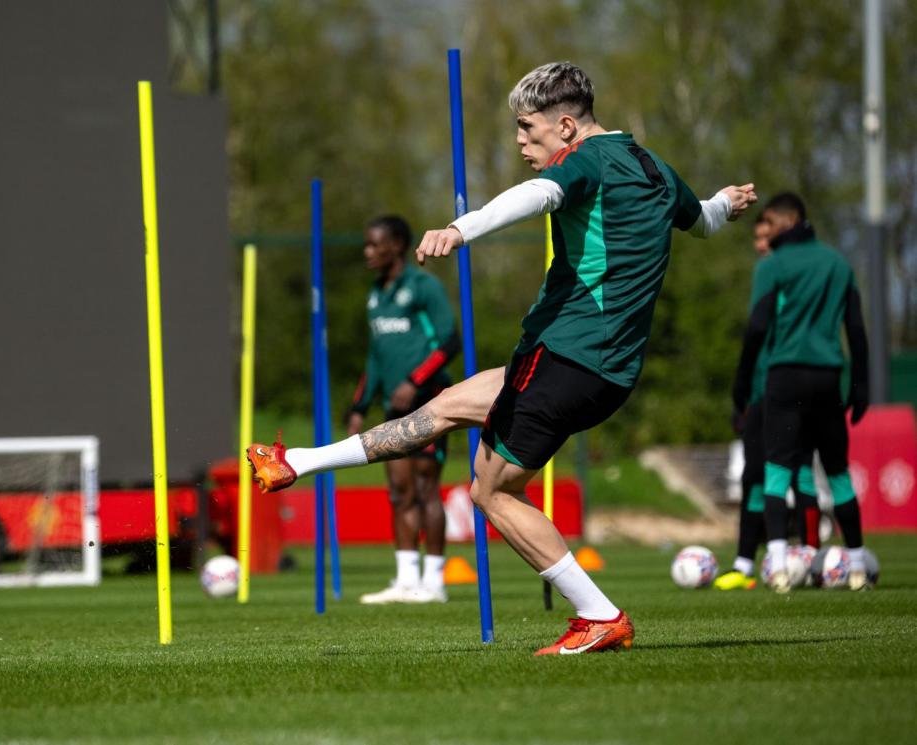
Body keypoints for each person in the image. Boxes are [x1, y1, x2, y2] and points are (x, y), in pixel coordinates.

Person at [247, 62, 756, 655]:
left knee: (490, 493)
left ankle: (598, 614)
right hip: (594, 366)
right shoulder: (654, 169)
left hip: (570, 356)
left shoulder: (582, 163)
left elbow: (536, 196)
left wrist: (460, 230)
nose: (519, 142)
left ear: (566, 126)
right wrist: (725, 199)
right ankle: (295, 464)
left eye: (526, 128)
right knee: (444, 408)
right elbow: (704, 220)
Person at [731, 192, 869, 593]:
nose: (765, 236)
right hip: (828, 376)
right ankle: (857, 565)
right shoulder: (838, 264)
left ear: (785, 222)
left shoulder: (773, 267)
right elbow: (856, 331)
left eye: (769, 226)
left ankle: (776, 565)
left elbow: (758, 327)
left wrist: (741, 384)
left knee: (777, 469)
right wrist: (861, 387)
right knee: (838, 471)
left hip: (785, 374)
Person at [348, 215, 459, 604]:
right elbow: (376, 356)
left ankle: (435, 583)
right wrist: (359, 406)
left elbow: (450, 339)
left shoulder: (424, 286)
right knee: (399, 490)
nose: (368, 252)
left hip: (429, 403)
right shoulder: (376, 295)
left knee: (428, 488)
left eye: (374, 244)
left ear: (396, 246)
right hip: (392, 411)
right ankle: (406, 581)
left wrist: (414, 382)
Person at [716, 218, 821, 591]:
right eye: (757, 237)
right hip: (762, 394)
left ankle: (813, 558)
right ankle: (745, 562)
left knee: (799, 473)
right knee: (754, 477)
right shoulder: (770, 277)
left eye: (766, 237)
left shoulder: (795, 281)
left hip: (790, 391)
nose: (760, 245)